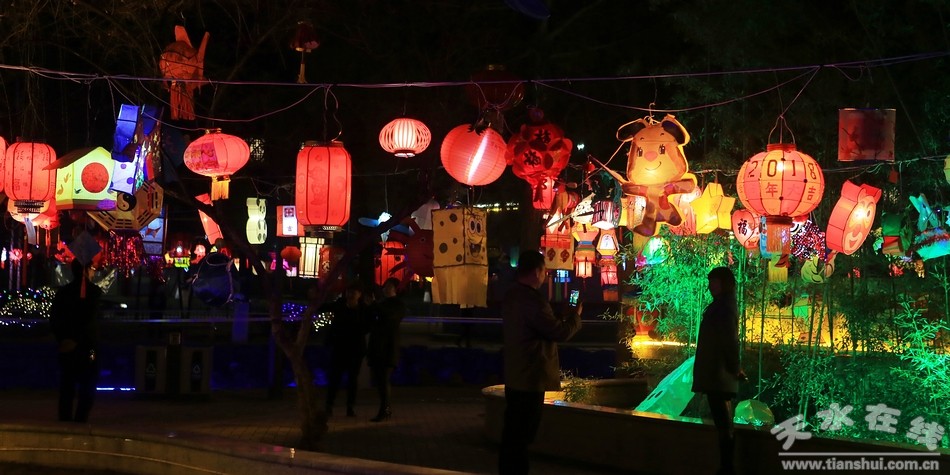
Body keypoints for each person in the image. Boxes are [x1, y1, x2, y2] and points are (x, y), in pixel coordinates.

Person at [498, 250, 582, 475]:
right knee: (522, 434)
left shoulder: (512, 295)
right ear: (537, 271)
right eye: (544, 271)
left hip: (516, 373)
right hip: (530, 376)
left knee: (513, 432)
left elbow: (541, 326)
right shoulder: (532, 300)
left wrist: (559, 316)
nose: (545, 276)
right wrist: (575, 317)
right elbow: (558, 332)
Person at [692, 266, 745, 475]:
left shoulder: (724, 308)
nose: (710, 286)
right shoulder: (722, 306)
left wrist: (735, 367)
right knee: (723, 422)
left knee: (724, 423)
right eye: (710, 282)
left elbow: (729, 342)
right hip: (718, 373)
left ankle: (727, 468)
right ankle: (726, 467)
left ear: (725, 284)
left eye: (714, 282)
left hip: (720, 374)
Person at [49, 260, 103, 423]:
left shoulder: (64, 292)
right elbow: (89, 319)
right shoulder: (94, 292)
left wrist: (64, 339)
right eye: (92, 268)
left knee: (67, 385)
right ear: (85, 270)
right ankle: (80, 419)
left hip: (67, 347)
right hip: (88, 348)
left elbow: (54, 319)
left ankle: (65, 420)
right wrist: (75, 339)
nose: (93, 272)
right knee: (88, 384)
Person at [324, 281, 371, 417]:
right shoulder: (339, 304)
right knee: (335, 378)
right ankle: (329, 405)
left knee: (352, 379)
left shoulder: (363, 309)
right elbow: (324, 308)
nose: (350, 295)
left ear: (359, 295)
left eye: (353, 292)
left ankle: (350, 406)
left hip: (355, 349)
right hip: (339, 347)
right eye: (349, 292)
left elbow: (367, 326)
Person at [366, 277, 406, 422]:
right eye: (385, 286)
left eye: (389, 286)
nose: (385, 288)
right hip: (378, 345)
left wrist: (374, 305)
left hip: (388, 346)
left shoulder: (398, 305)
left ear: (396, 289)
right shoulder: (382, 303)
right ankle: (385, 408)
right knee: (380, 379)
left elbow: (389, 316)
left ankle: (385, 409)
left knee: (383, 379)